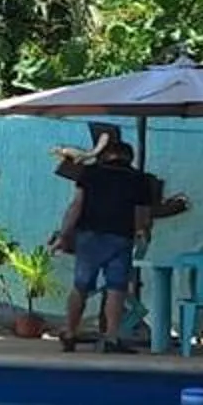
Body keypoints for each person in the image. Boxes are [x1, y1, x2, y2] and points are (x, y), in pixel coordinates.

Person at [53, 138, 157, 352]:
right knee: (116, 289)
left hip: (89, 236)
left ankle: (70, 332)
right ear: (129, 157)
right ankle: (111, 338)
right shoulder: (139, 179)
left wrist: (64, 234)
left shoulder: (90, 174)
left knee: (80, 286)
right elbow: (142, 215)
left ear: (106, 155)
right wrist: (142, 231)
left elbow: (76, 206)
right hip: (121, 237)